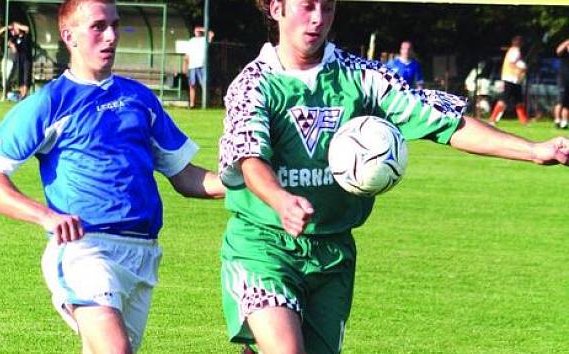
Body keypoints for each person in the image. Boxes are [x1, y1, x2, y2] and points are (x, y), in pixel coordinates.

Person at [218, 1, 569, 354]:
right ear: (277, 7)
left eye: (328, 8)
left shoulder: (362, 77)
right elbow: (250, 159)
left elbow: (446, 121)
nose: (318, 19)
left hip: (333, 251)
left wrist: (534, 151)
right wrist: (281, 200)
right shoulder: (252, 85)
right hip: (263, 244)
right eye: (307, 6)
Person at [0, 0, 225, 352]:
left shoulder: (140, 98)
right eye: (98, 27)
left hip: (143, 253)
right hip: (85, 250)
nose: (111, 36)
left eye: (115, 26)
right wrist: (46, 216)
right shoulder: (50, 102)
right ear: (68, 35)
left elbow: (185, 177)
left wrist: (248, 182)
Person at [489, 35, 528, 125]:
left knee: (519, 100)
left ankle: (524, 121)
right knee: (504, 99)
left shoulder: (512, 50)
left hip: (515, 80)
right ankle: (492, 119)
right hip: (511, 78)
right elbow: (511, 63)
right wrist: (520, 70)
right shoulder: (515, 51)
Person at [185, 25, 214, 108]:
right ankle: (192, 104)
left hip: (201, 65)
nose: (197, 32)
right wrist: (186, 66)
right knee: (192, 85)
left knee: (203, 84)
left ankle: (205, 103)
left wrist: (203, 29)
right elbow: (187, 55)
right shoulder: (191, 41)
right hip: (192, 66)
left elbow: (211, 34)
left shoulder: (204, 40)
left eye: (198, 31)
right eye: (196, 31)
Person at [8, 22, 32, 100]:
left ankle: (25, 95)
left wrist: (18, 25)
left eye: (15, 28)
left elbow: (27, 28)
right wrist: (12, 45)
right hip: (19, 60)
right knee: (20, 77)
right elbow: (13, 48)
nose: (14, 30)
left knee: (26, 77)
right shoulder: (15, 38)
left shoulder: (26, 35)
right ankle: (22, 95)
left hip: (26, 59)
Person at [555, 38, 569, 129]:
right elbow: (558, 50)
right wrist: (567, 41)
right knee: (560, 100)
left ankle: (564, 121)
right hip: (563, 79)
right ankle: (557, 120)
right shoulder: (564, 55)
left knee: (567, 103)